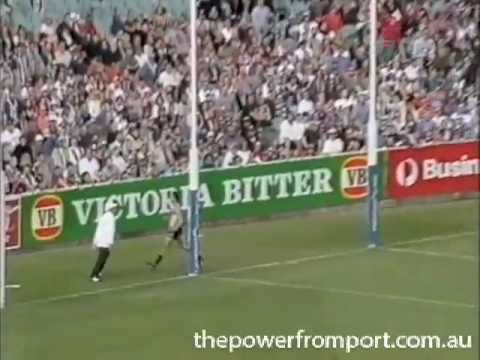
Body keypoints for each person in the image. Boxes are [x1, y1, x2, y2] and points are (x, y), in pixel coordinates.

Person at [146, 191, 185, 270]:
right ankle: (197, 256)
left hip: (174, 230)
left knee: (165, 246)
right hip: (174, 230)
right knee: (182, 246)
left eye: (171, 197)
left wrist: (174, 228)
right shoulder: (175, 206)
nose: (170, 198)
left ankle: (155, 263)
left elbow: (181, 220)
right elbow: (174, 217)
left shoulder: (177, 207)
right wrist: (167, 217)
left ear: (175, 198)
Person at [90, 201, 121, 282]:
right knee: (101, 258)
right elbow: (108, 231)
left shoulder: (108, 216)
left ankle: (98, 272)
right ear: (111, 209)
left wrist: (95, 242)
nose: (116, 210)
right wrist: (109, 242)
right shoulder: (109, 217)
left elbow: (102, 229)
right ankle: (94, 275)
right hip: (104, 241)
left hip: (104, 241)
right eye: (115, 208)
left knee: (104, 256)